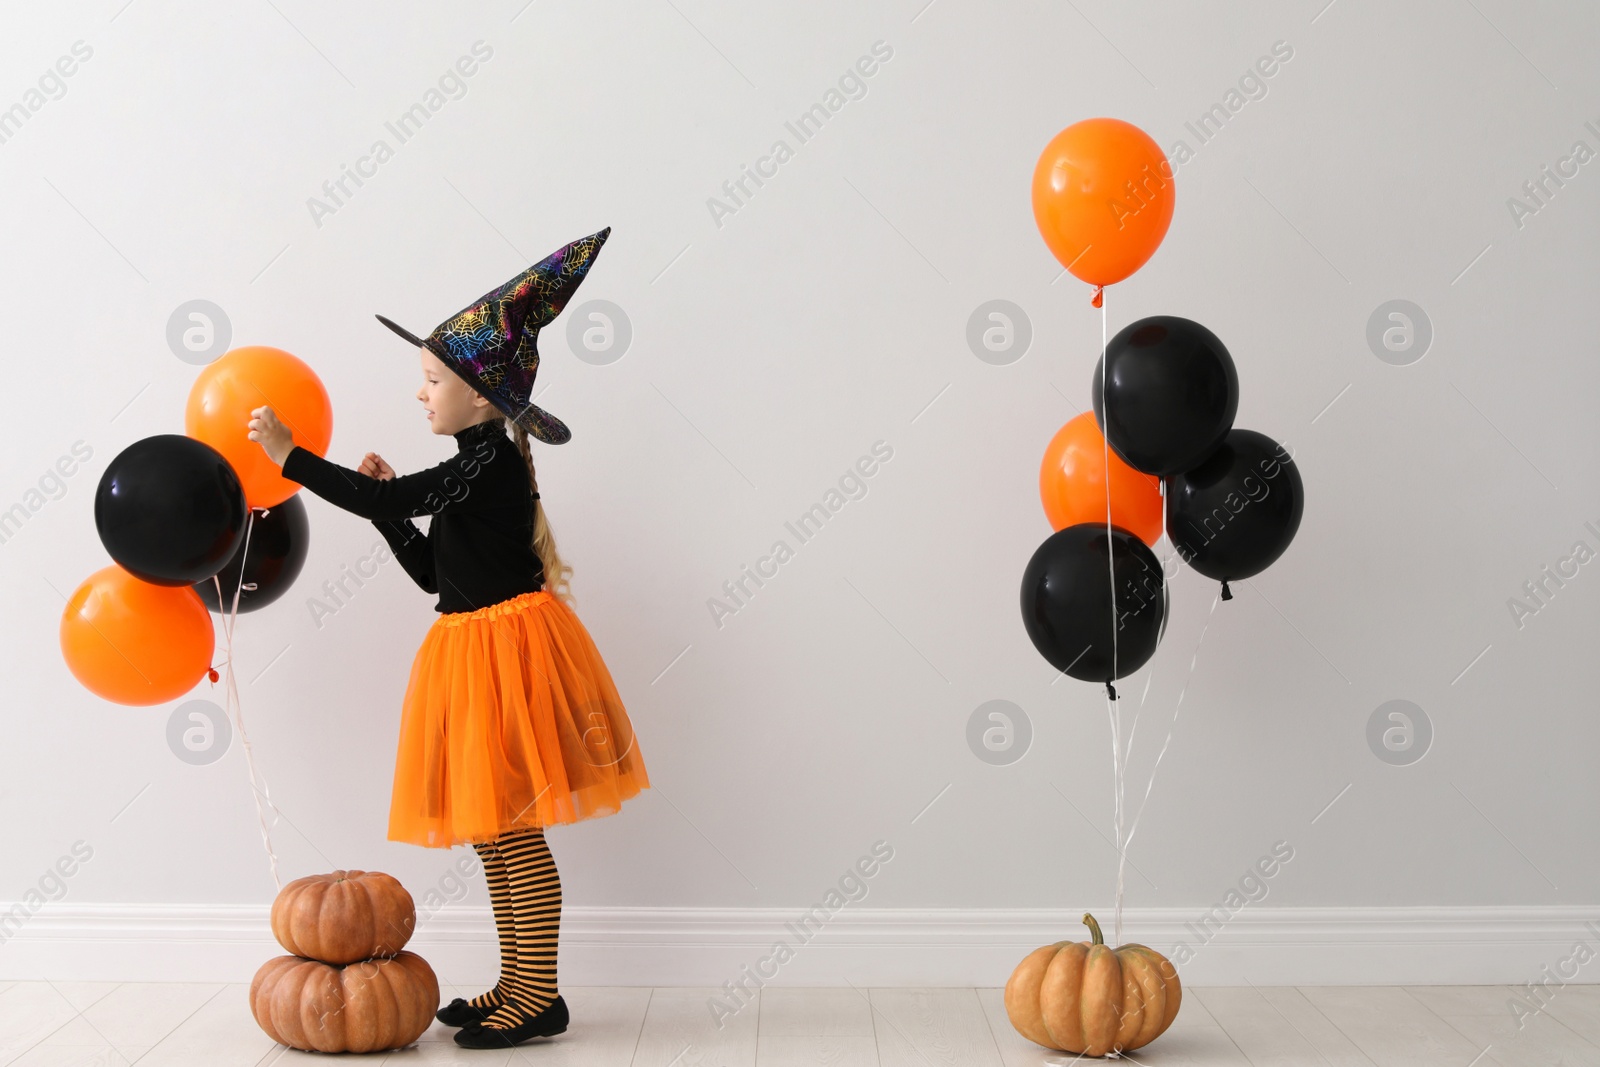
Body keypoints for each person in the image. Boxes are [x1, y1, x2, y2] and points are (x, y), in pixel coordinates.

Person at [247, 227, 649, 1050]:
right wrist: (396, 512)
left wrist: (296, 459)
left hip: (508, 656)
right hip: (471, 647)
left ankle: (539, 996)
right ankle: (520, 983)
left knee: (512, 833)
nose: (421, 394)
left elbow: (376, 503)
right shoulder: (472, 467)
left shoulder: (488, 461)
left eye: (433, 380)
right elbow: (435, 572)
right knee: (493, 836)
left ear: (481, 395)